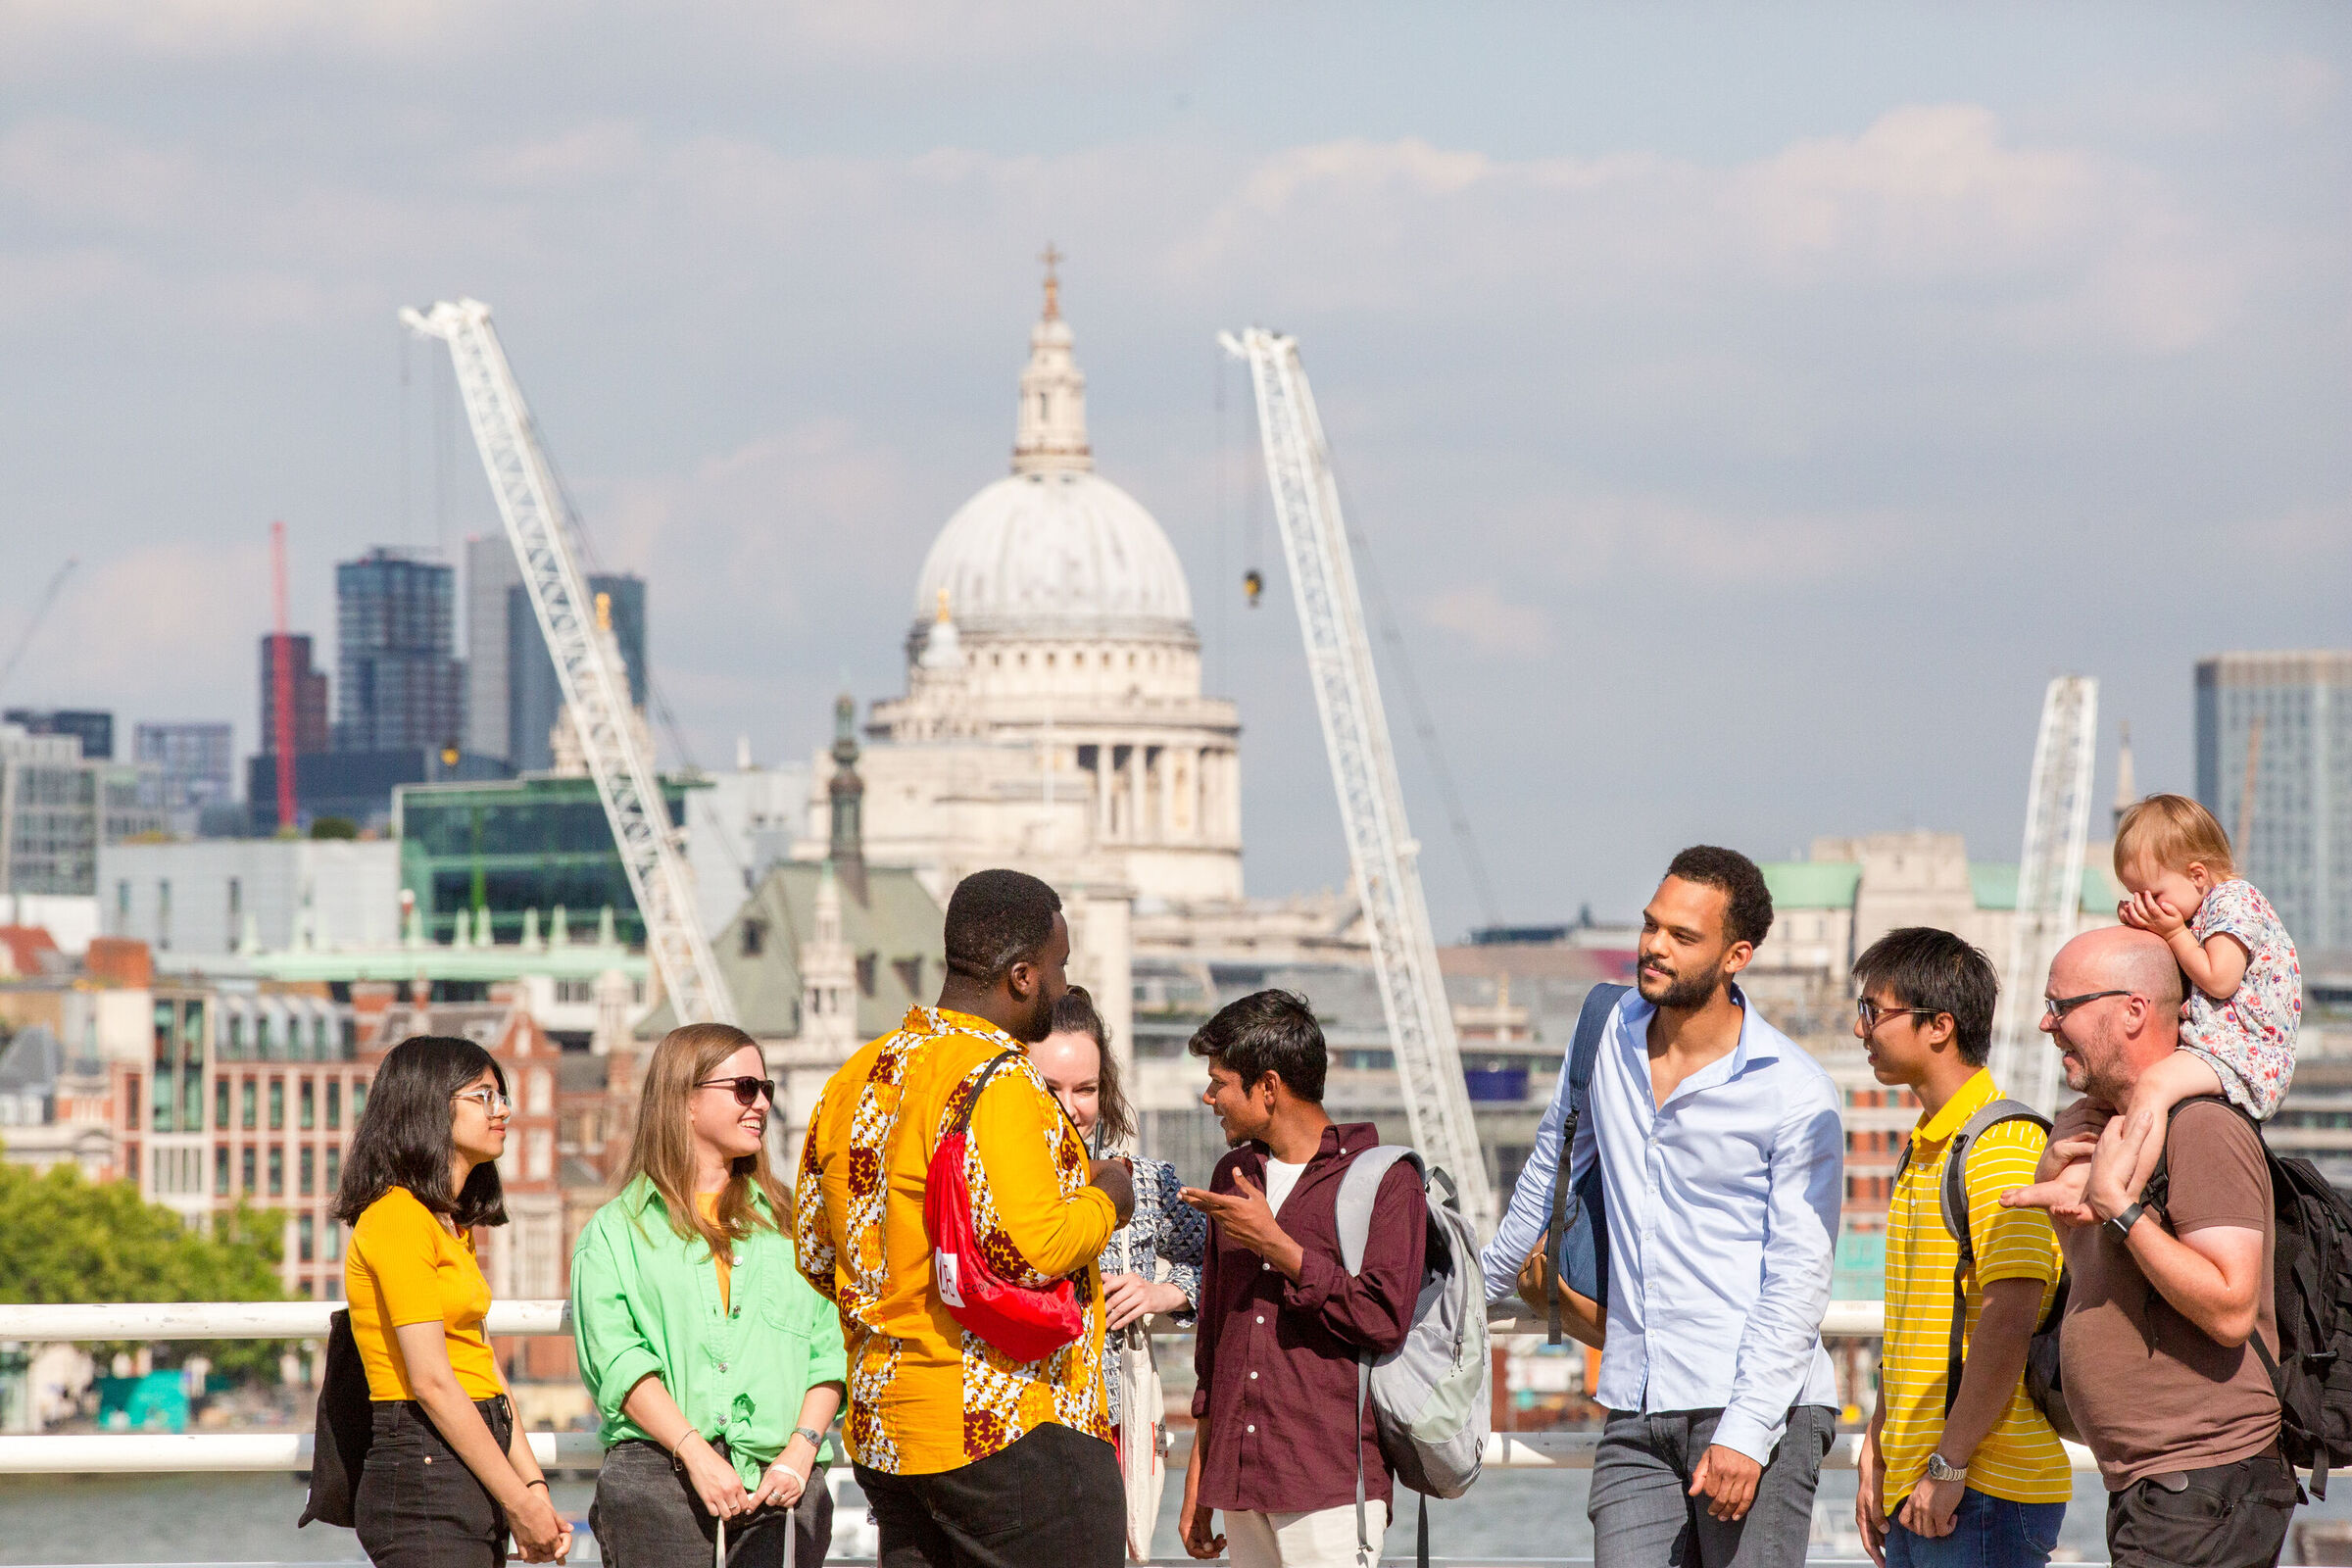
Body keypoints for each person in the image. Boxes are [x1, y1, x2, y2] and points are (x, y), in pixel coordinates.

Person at [1486, 845, 1842, 1568]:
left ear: (1736, 955)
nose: (1653, 946)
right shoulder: (1605, 1033)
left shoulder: (1795, 1091)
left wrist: (1746, 1429)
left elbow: (1799, 1275)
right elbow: (1548, 1174)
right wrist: (1470, 1300)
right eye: (1652, 925)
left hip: (1755, 1407)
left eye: (1683, 937)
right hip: (1636, 1405)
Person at [794, 867, 1137, 1568]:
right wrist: (1110, 1198)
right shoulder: (1000, 1080)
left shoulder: (859, 1075)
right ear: (1020, 976)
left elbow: (816, 1252)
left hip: (891, 1437)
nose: (1064, 985)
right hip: (1007, 1433)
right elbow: (1036, 1247)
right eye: (1058, 965)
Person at [2027, 925, 2294, 1568]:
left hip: (2204, 1482)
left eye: (2063, 1007)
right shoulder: (2107, 1131)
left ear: (2134, 1010)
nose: (2046, 1023)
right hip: (2161, 1486)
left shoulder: (2200, 1127)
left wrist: (2117, 1208)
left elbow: (2231, 1308)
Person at [572, 1021, 849, 1568]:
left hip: (781, 1483)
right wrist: (693, 1452)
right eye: (745, 1088)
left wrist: (801, 1451)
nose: (762, 1104)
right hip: (656, 1478)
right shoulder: (613, 1233)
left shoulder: (796, 1227)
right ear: (685, 1101)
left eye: (767, 1089)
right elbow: (616, 1358)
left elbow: (831, 1345)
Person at [1175, 989, 1429, 1568]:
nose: (1207, 1095)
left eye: (1219, 1082)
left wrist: (1277, 1246)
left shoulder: (1385, 1181)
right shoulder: (1233, 1173)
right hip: (1239, 1484)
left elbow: (1383, 1318)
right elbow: (1214, 1346)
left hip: (1331, 1487)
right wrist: (1199, 1483)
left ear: (1268, 1087)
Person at [1846, 929, 2069, 1568]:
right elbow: (1917, 1320)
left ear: (1939, 1025)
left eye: (1874, 1012)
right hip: (1930, 1483)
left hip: (1982, 1489)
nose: (1863, 1031)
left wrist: (1948, 1463)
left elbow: (2010, 1319)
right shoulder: (1927, 1146)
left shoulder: (2003, 1143)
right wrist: (1880, 1443)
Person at [2009, 793, 2300, 1220]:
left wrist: (2173, 932)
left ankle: (2118, 1194)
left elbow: (2220, 978)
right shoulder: (2196, 908)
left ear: (2197, 875)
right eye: (2133, 893)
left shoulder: (2235, 902)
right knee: (2113, 1104)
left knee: (2151, 1088)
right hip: (2219, 1044)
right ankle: (2077, 1181)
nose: (2146, 903)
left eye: (2153, 892)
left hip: (2245, 1052)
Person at [337, 1035, 570, 1568]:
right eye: (483, 1097)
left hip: (466, 1457)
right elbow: (432, 1380)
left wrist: (532, 1486)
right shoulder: (397, 1217)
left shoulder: (449, 1223)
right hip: (423, 1467)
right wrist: (519, 1501)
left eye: (502, 1096)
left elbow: (482, 1366)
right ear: (426, 1106)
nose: (503, 1110)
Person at [1030, 984, 1206, 1429]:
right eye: (1048, 1089)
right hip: (1021, 1430)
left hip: (1117, 1427)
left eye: (1084, 1090)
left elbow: (1225, 1257)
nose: (1067, 1108)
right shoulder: (989, 1180)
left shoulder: (1146, 1181)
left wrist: (1167, 1293)